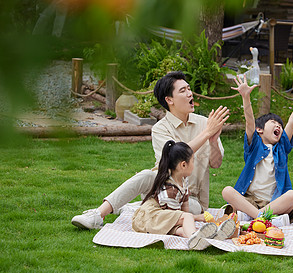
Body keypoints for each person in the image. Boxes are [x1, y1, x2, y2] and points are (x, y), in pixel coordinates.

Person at [71, 71, 229, 229]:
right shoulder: (161, 129)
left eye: (188, 89)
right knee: (147, 175)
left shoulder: (205, 124)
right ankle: (98, 215)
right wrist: (207, 133)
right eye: (183, 91)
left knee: (184, 210)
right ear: (169, 100)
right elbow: (175, 159)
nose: (189, 93)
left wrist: (213, 141)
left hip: (191, 199)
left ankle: (134, 207)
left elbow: (216, 163)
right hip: (161, 187)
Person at [221, 75, 293, 226]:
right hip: (250, 200)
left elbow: (292, 121)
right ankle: (263, 217)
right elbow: (249, 121)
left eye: (280, 124)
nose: (279, 126)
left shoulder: (282, 147)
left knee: (292, 196)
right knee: (227, 191)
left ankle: (253, 216)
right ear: (259, 129)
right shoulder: (254, 145)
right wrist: (245, 97)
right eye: (273, 123)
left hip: (273, 202)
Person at [132, 140, 236, 250]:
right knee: (186, 220)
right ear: (183, 165)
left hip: (163, 219)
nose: (194, 165)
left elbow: (184, 211)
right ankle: (194, 237)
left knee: (181, 230)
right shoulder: (170, 190)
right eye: (193, 161)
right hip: (150, 218)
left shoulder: (183, 181)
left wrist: (189, 219)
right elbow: (175, 215)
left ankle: (207, 238)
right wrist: (196, 218)